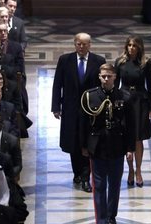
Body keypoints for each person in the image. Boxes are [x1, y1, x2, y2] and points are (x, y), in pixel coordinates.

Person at [80, 63, 136, 224]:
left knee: (115, 184)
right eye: (103, 76)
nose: (106, 79)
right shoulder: (90, 96)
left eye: (109, 76)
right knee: (99, 185)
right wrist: (83, 146)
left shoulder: (124, 97)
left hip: (117, 146)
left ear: (115, 77)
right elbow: (83, 124)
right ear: (99, 77)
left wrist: (130, 148)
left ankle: (112, 215)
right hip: (97, 146)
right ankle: (101, 222)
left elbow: (130, 126)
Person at [51, 32, 106, 193]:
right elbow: (57, 84)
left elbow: (102, 85)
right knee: (73, 143)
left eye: (84, 44)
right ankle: (77, 173)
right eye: (78, 44)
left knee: (88, 143)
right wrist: (56, 106)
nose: (81, 47)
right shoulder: (65, 60)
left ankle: (85, 176)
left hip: (91, 109)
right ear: (74, 44)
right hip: (70, 109)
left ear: (90, 45)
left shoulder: (98, 61)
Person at [114, 35, 151, 187]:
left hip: (140, 102)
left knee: (138, 138)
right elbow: (115, 84)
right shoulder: (120, 62)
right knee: (127, 137)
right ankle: (130, 169)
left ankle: (138, 170)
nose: (131, 48)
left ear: (139, 48)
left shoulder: (145, 63)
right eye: (129, 45)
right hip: (125, 100)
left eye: (134, 46)